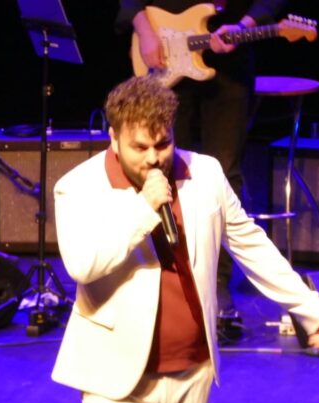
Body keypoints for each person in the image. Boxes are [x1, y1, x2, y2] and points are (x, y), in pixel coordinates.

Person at [52, 76, 319, 403]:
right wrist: (143, 209)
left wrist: (310, 308)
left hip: (189, 371)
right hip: (115, 379)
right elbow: (83, 263)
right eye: (140, 147)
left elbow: (250, 245)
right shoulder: (78, 187)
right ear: (114, 138)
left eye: (163, 143)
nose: (154, 158)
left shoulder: (204, 174)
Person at [118, 0, 288, 342]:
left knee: (225, 175)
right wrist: (145, 31)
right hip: (162, 52)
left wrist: (244, 25)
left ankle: (217, 283)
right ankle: (163, 274)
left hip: (229, 69)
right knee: (159, 168)